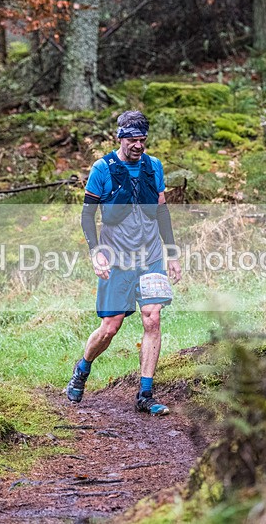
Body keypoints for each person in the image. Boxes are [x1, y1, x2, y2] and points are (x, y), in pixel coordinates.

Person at [66, 110, 182, 416]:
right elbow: (87, 215)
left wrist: (171, 252)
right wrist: (95, 251)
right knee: (110, 328)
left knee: (152, 317)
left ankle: (145, 393)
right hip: (117, 257)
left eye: (143, 139)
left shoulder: (153, 166)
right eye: (133, 140)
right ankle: (83, 367)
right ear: (120, 138)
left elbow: (162, 212)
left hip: (151, 256)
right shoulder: (102, 169)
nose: (139, 145)